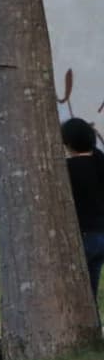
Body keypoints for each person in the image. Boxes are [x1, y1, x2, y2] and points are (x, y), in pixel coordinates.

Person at [61, 117, 104, 322]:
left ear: (67, 142)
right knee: (91, 287)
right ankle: (93, 326)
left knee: (76, 289)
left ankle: (82, 325)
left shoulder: (67, 169)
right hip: (100, 233)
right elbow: (96, 153)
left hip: (84, 234)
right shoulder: (99, 162)